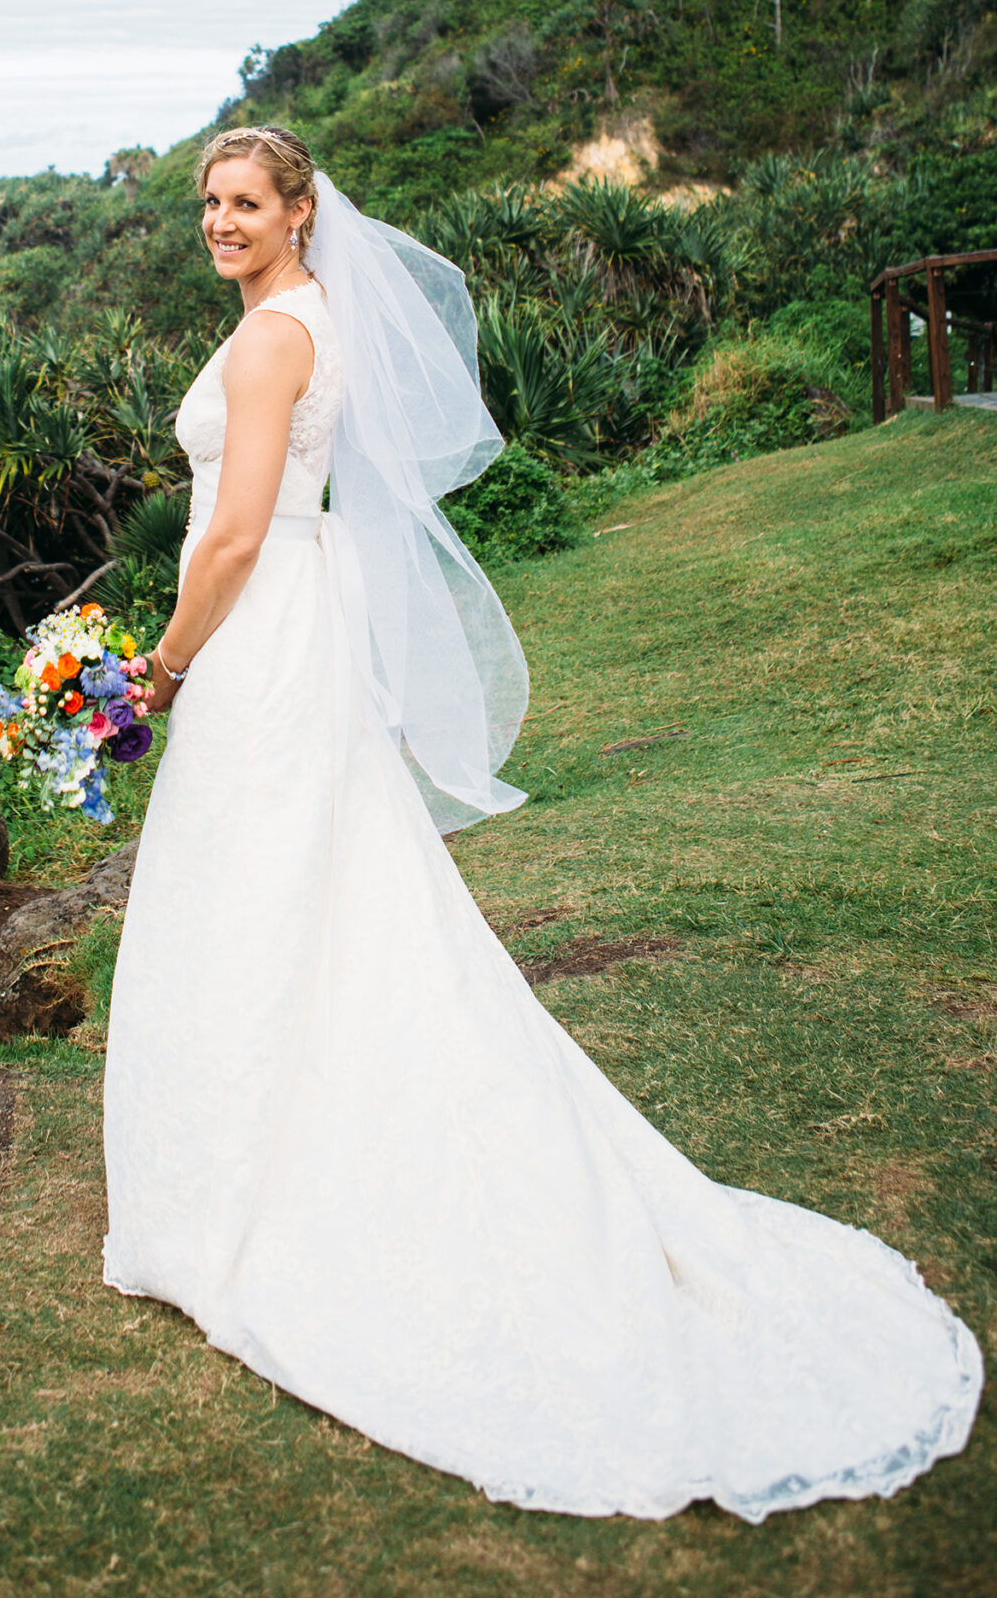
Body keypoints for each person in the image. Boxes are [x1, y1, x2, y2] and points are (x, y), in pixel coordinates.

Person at [102, 123, 982, 1522]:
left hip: (261, 631)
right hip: (296, 627)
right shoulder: (303, 316)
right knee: (298, 888)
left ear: (300, 214)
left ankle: (257, 1183)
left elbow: (231, 533)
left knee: (258, 887)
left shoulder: (275, 340)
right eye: (209, 203)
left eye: (245, 202)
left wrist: (159, 665)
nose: (221, 222)